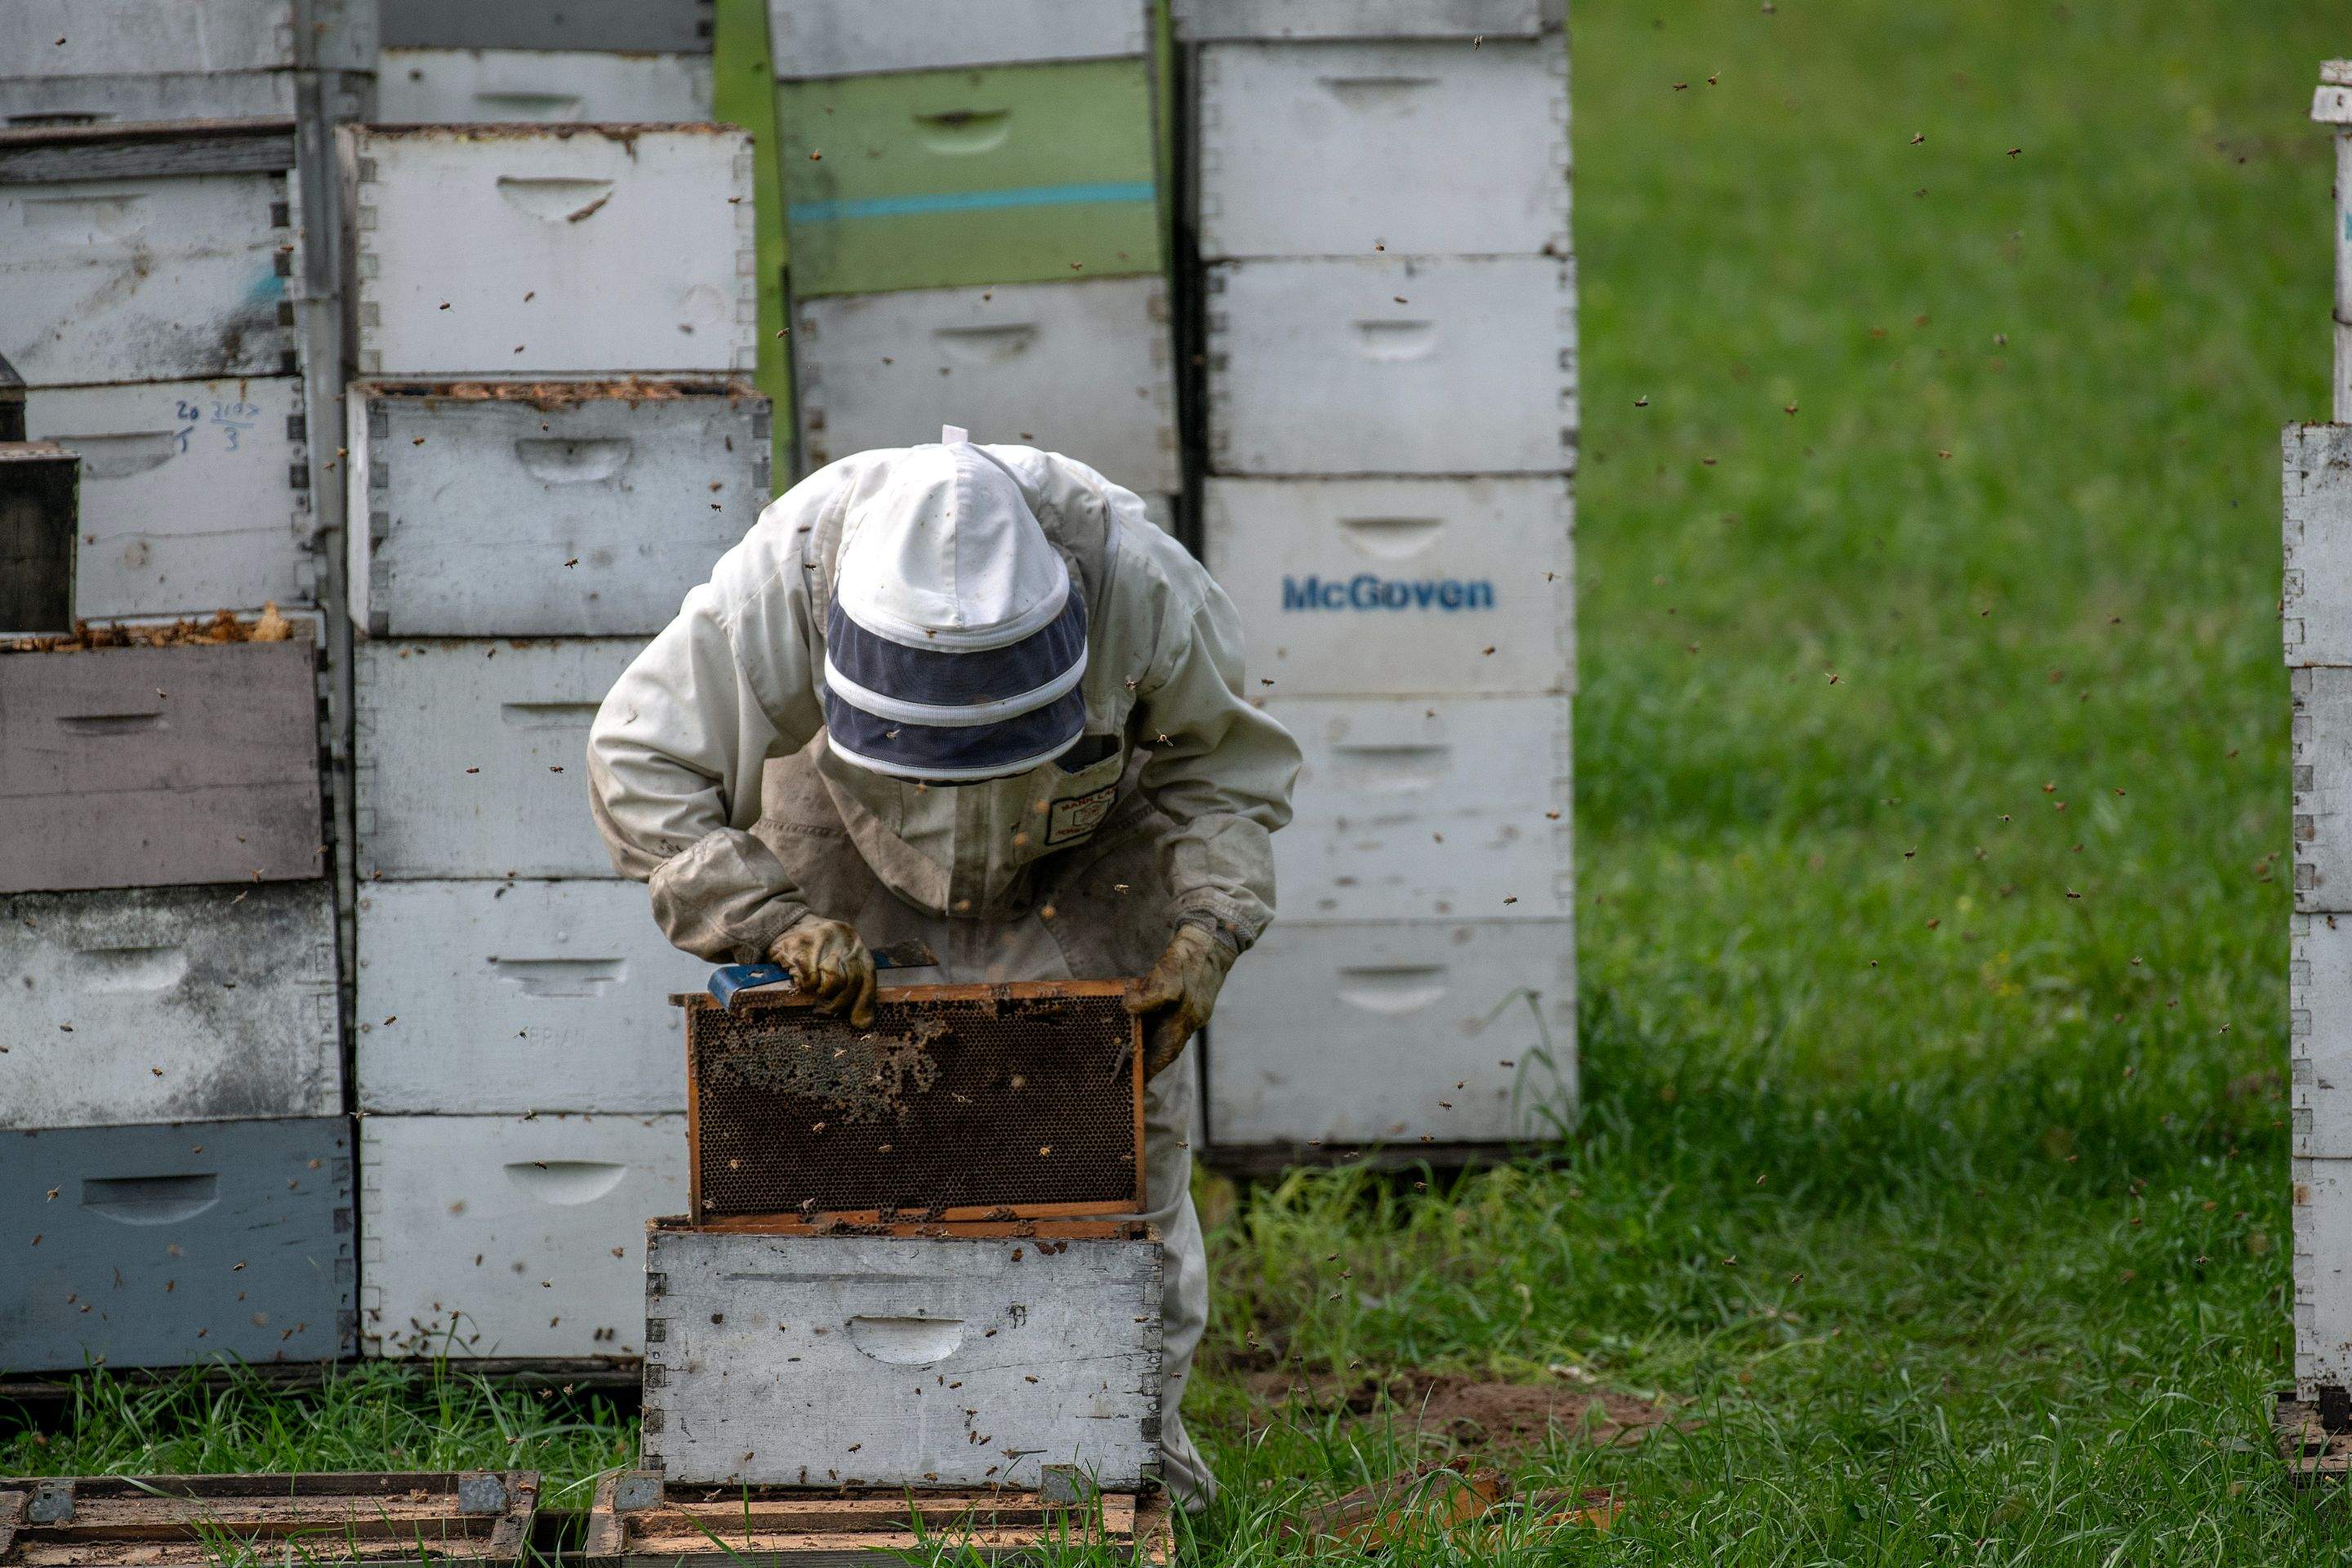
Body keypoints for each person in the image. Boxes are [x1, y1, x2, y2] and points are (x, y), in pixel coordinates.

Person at [586, 428, 1300, 1505]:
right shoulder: (787, 576)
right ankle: (830, 1474)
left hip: (1081, 859)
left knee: (1108, 1171)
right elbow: (641, 760)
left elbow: (1226, 772)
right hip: (840, 845)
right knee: (832, 1170)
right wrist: (769, 920)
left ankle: (1126, 1479)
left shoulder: (1138, 580)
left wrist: (1209, 929)